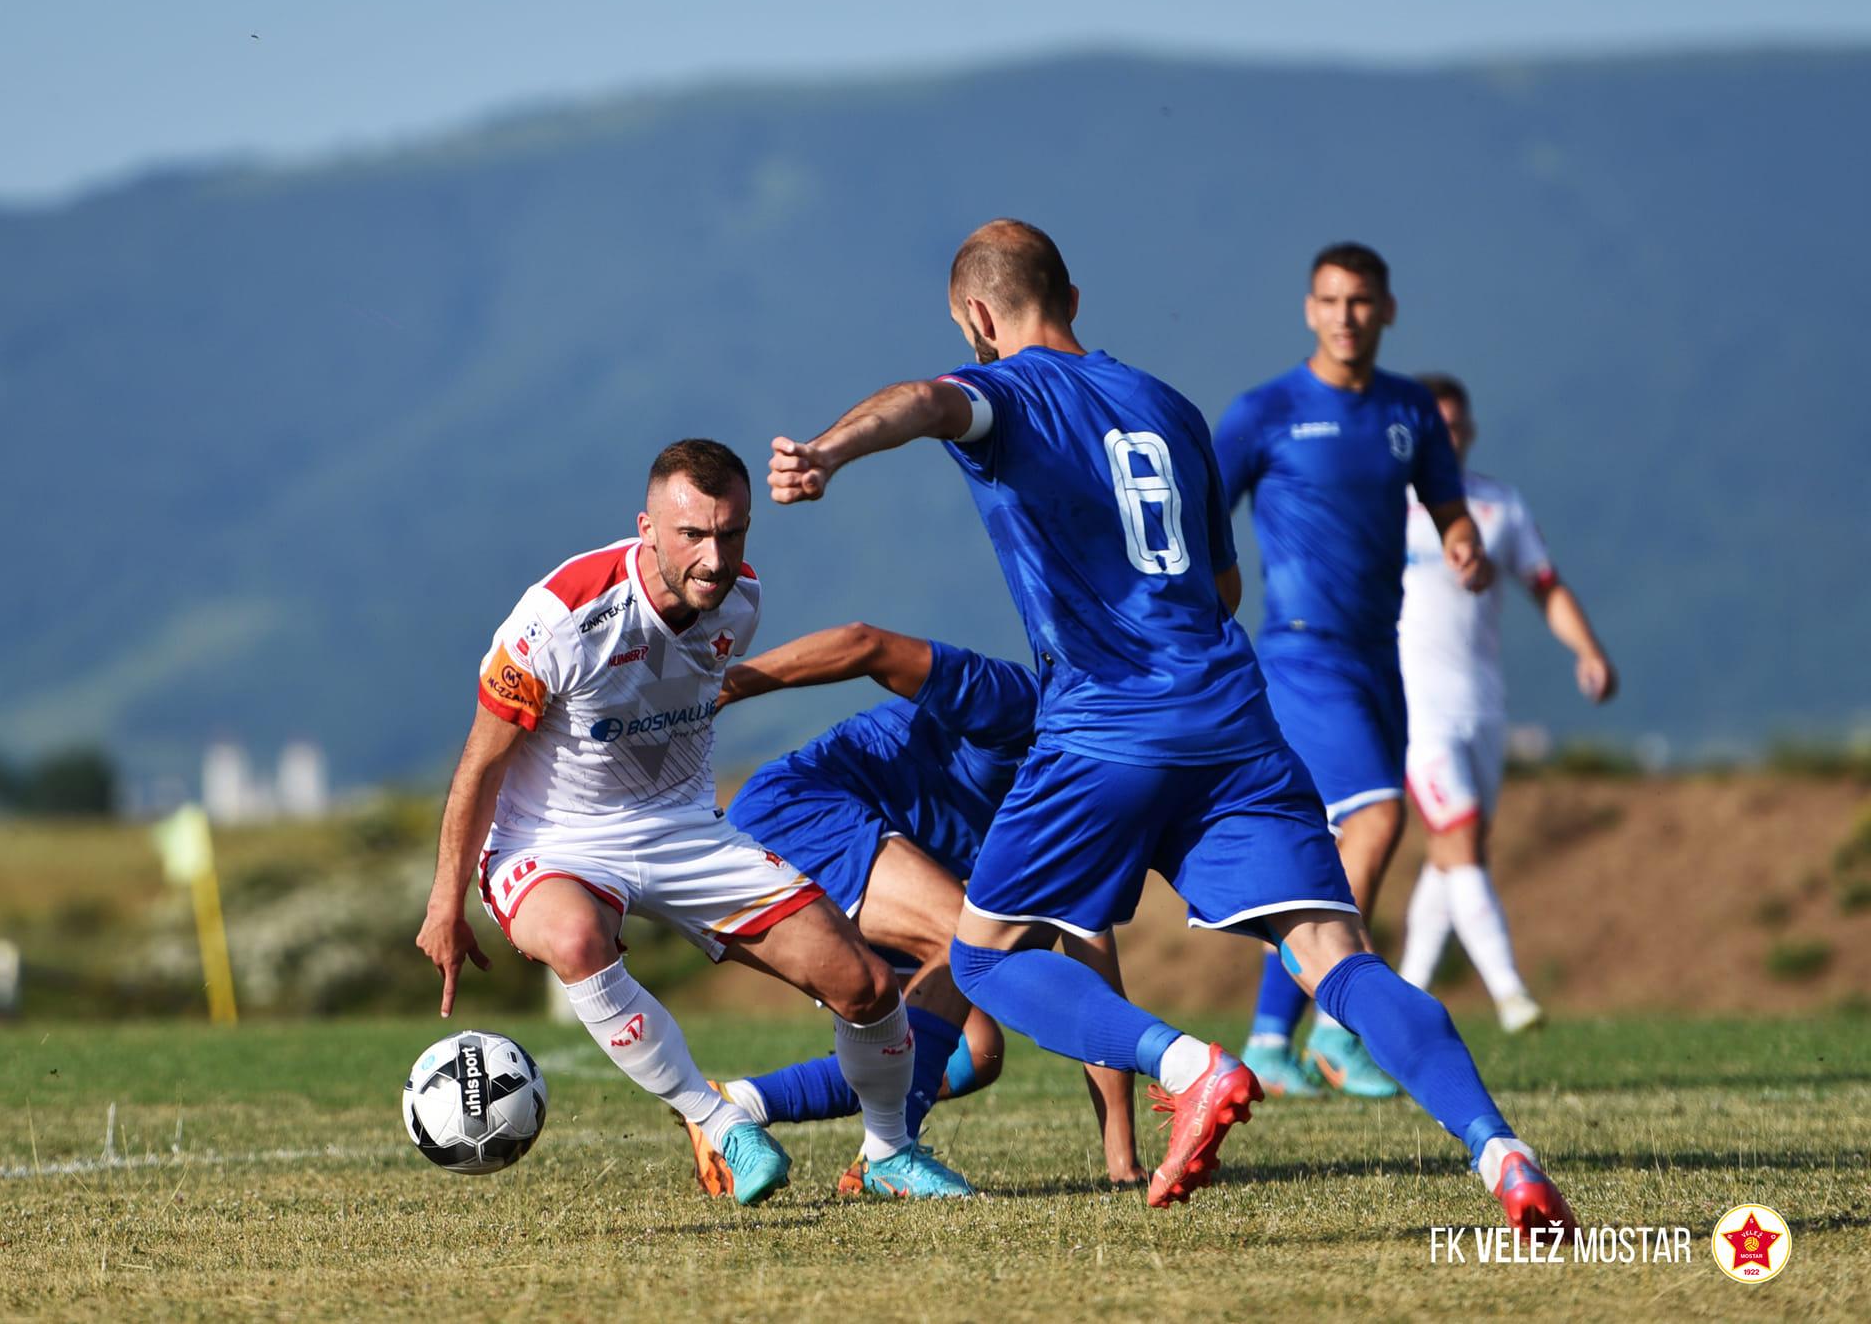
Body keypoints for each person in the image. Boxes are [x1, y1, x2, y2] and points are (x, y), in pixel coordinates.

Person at [765, 218, 1574, 1235]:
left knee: (981, 955)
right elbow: (1221, 584)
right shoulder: (1171, 407)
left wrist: (829, 450)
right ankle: (1500, 1151)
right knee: (1332, 948)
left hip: (1104, 720)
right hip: (1234, 715)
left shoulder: (1003, 393)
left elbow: (927, 402)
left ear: (977, 314)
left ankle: (1189, 1065)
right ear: (1072, 292)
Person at [413, 438, 972, 1204]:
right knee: (579, 939)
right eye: (693, 535)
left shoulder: (740, 601)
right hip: (550, 842)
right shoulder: (560, 620)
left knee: (869, 985)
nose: (716, 557)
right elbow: (479, 765)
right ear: (646, 527)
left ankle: (888, 1153)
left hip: (683, 829)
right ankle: (719, 1121)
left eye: (732, 533)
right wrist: (446, 902)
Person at [676, 622, 1143, 1197]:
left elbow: (1094, 980)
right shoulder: (1018, 702)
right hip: (798, 813)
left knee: (976, 1052)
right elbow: (865, 643)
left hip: (863, 852)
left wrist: (1121, 1157)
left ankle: (739, 1105)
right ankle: (889, 1155)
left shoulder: (1087, 802)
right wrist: (727, 684)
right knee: (966, 936)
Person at [1214, 243, 1491, 1100]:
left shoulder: (1409, 409)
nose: (1346, 315)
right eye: (1330, 300)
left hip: (1382, 652)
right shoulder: (1265, 411)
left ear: (1388, 310)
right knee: (1373, 820)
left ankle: (1270, 1037)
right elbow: (1198, 515)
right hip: (1300, 652)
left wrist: (1461, 537)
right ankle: (1335, 1027)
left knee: (1337, 843)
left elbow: (1447, 504)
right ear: (1308, 309)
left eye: (1362, 301)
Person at [1396, 373, 1618, 1032]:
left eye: (1457, 426)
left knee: (1453, 852)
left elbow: (1545, 584)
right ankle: (1511, 992)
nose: (1450, 437)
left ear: (1469, 431)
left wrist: (1589, 650)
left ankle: (1401, 1000)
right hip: (1415, 709)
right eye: (1437, 426)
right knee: (1460, 837)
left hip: (1483, 708)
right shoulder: (1383, 503)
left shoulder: (1499, 506)